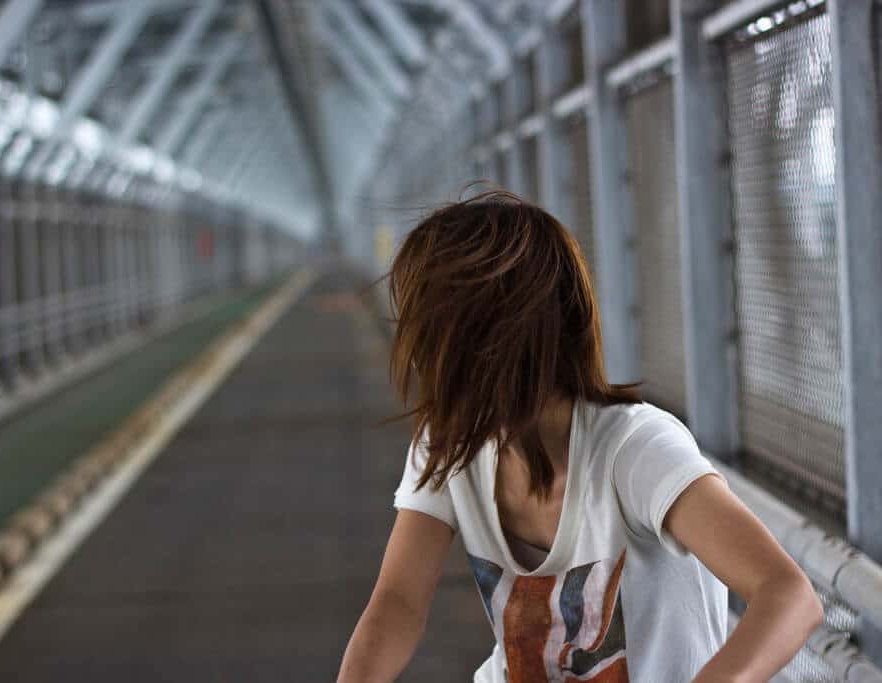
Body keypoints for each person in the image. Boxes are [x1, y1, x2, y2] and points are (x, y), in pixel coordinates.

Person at [336, 191, 823, 682]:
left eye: (432, 335)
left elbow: (788, 596)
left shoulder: (634, 450)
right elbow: (398, 603)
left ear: (489, 342)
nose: (420, 357)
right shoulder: (449, 445)